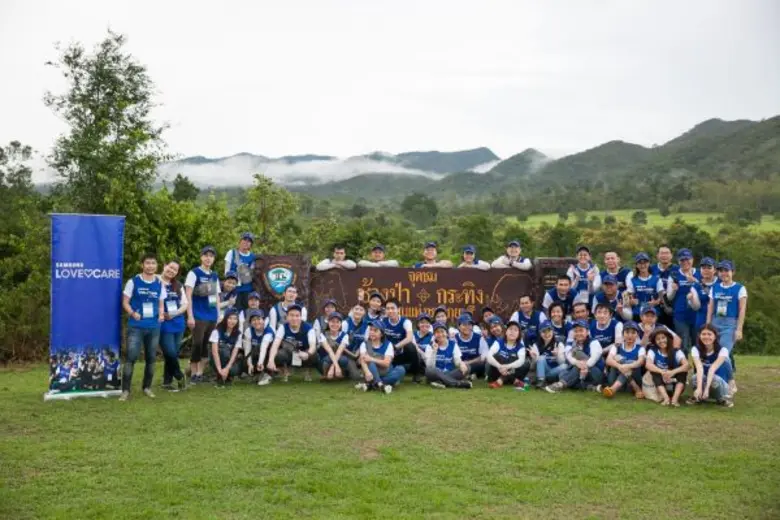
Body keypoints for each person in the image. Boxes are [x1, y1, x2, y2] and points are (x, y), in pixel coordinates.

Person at [120, 253, 166, 401]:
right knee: (131, 357)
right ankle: (125, 391)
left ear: (156, 266)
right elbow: (125, 302)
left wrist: (160, 315)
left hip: (153, 327)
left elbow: (160, 303)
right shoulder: (133, 281)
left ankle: (147, 387)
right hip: (136, 326)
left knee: (151, 359)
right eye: (148, 263)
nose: (150, 266)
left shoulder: (159, 284)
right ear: (142, 265)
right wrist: (132, 313)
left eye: (153, 263)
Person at [707, 259, 746, 393]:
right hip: (715, 323)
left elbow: (742, 310)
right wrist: (707, 326)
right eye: (721, 271)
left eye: (726, 270)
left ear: (732, 272)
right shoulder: (715, 287)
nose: (723, 273)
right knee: (714, 352)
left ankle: (730, 380)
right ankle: (716, 380)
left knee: (723, 353)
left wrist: (739, 329)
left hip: (730, 324)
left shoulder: (739, 288)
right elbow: (710, 307)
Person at [185, 246, 221, 385]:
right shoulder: (194, 273)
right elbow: (188, 295)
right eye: (206, 255)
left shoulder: (214, 275)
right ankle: (193, 373)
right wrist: (190, 316)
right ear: (201, 257)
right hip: (198, 315)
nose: (208, 258)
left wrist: (218, 315)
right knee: (197, 344)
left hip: (211, 315)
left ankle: (200, 373)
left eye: (211, 256)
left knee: (206, 344)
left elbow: (217, 296)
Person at [545, 320, 603, 393]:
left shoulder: (594, 342)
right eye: (576, 331)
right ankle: (590, 387)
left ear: (587, 332)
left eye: (581, 330)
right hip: (581, 373)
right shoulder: (571, 343)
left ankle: (560, 384)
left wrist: (583, 366)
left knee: (577, 357)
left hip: (596, 373)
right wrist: (577, 363)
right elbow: (568, 356)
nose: (578, 333)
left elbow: (593, 360)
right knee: (562, 374)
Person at [266, 304, 318, 382]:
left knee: (314, 355)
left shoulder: (309, 328)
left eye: (297, 316)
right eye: (291, 315)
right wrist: (271, 360)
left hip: (304, 354)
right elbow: (275, 345)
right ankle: (285, 371)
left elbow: (313, 346)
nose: (294, 318)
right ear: (287, 317)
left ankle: (307, 371)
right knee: (278, 354)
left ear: (301, 317)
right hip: (289, 353)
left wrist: (307, 354)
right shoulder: (282, 327)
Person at [687, 324, 734, 408]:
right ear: (699, 335)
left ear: (715, 336)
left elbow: (712, 369)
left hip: (718, 382)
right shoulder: (695, 349)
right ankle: (698, 396)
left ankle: (722, 398)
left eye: (709, 334)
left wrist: (706, 389)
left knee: (714, 379)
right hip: (704, 379)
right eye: (703, 334)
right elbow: (699, 368)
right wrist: (699, 388)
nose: (706, 337)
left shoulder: (723, 350)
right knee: (694, 377)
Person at [159, 259, 188, 392]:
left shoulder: (178, 285)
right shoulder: (155, 281)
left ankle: (167, 382)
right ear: (165, 266)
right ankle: (180, 376)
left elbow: (185, 304)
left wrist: (175, 313)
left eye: (175, 270)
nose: (171, 271)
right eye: (170, 267)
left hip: (178, 322)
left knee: (173, 354)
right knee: (170, 352)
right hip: (163, 323)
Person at [355, 320, 406, 393]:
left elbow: (386, 363)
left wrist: (371, 358)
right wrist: (367, 372)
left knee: (401, 370)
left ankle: (371, 384)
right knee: (370, 362)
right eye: (371, 330)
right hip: (370, 371)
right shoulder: (364, 344)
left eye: (375, 330)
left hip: (385, 371)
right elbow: (363, 360)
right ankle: (380, 384)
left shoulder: (388, 345)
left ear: (381, 334)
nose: (372, 332)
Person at [600, 321, 646, 399]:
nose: (630, 336)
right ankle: (637, 389)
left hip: (631, 383)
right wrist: (619, 366)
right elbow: (608, 360)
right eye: (627, 332)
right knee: (618, 359)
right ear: (623, 334)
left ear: (637, 334)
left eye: (633, 333)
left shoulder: (640, 348)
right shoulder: (617, 346)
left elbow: (640, 362)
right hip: (614, 379)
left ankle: (613, 389)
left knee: (626, 361)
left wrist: (627, 365)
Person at [666, 248, 699, 354]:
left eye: (687, 259)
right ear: (678, 261)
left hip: (697, 314)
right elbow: (669, 297)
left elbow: (707, 290)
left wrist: (695, 281)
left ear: (692, 260)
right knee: (683, 344)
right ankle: (682, 369)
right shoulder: (674, 275)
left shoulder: (699, 273)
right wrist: (674, 290)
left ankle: (698, 369)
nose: (685, 262)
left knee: (697, 343)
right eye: (682, 260)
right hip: (680, 314)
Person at [644, 327, 688, 406]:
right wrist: (662, 372)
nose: (661, 341)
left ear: (668, 338)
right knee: (654, 372)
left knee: (683, 372)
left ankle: (675, 399)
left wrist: (672, 372)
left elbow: (687, 365)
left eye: (663, 338)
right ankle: (666, 398)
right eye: (658, 339)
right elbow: (648, 364)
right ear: (655, 341)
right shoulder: (652, 350)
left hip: (675, 380)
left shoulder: (676, 351)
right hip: (661, 381)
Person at [382, 299, 424, 383]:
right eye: (388, 308)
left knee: (410, 346)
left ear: (398, 309)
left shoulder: (406, 321)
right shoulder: (383, 321)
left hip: (402, 353)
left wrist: (395, 347)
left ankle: (416, 374)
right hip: (390, 354)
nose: (390, 311)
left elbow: (409, 337)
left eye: (393, 308)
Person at [423, 323, 472, 389]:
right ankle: (457, 383)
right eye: (437, 332)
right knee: (428, 370)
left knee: (467, 367)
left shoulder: (453, 344)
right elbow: (430, 366)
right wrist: (434, 352)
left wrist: (461, 364)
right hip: (436, 373)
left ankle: (440, 382)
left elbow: (457, 361)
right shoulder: (430, 346)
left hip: (450, 372)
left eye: (442, 331)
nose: (440, 334)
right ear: (434, 335)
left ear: (446, 333)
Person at [486, 321, 531, 389]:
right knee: (496, 356)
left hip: (511, 372)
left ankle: (501, 380)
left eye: (515, 330)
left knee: (525, 362)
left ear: (519, 334)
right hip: (497, 373)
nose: (512, 332)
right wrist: (499, 366)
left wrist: (507, 366)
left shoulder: (521, 346)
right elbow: (489, 355)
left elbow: (521, 361)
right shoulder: (498, 342)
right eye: (510, 329)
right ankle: (514, 380)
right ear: (506, 332)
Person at [209, 308, 243, 387]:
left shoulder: (238, 334)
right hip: (217, 359)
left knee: (234, 370)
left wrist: (227, 369)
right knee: (224, 350)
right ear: (225, 319)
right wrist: (220, 370)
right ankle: (219, 376)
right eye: (230, 318)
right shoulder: (216, 331)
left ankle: (228, 376)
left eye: (235, 319)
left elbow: (235, 353)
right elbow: (214, 352)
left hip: (229, 360)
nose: (232, 321)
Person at [625, 252, 664, 321]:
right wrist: (630, 301)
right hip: (638, 313)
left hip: (653, 313)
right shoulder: (633, 280)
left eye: (645, 262)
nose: (642, 265)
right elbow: (627, 295)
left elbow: (662, 297)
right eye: (640, 263)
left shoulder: (657, 279)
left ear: (649, 263)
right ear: (636, 265)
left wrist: (656, 302)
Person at [224, 232, 256, 310]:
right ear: (240, 241)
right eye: (244, 239)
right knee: (234, 313)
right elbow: (226, 272)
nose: (246, 242)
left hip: (247, 290)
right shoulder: (232, 253)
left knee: (247, 313)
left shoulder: (252, 256)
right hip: (234, 290)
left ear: (251, 244)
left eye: (249, 241)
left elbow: (251, 273)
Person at [242, 309, 274, 386]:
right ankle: (256, 374)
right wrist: (249, 364)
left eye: (259, 319)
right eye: (253, 320)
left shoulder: (269, 330)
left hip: (268, 356)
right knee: (244, 362)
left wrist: (260, 363)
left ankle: (268, 374)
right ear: (250, 322)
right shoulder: (249, 331)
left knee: (260, 347)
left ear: (263, 320)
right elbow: (247, 350)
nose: (256, 322)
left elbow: (264, 346)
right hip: (256, 354)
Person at [651, 245, 679, 329]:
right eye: (662, 253)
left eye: (666, 253)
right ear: (657, 255)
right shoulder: (651, 269)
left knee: (672, 333)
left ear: (671, 255)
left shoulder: (677, 269)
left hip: (672, 307)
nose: (664, 255)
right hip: (655, 307)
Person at [454, 313, 489, 379]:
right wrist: (461, 363)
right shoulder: (454, 338)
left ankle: (470, 374)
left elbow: (483, 356)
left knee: (481, 363)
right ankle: (468, 374)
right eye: (464, 325)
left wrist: (468, 362)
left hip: (475, 364)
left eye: (469, 324)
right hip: (459, 364)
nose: (467, 327)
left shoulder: (479, 338)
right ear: (458, 327)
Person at [534, 321, 567, 388]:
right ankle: (541, 380)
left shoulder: (559, 344)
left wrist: (557, 355)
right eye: (544, 331)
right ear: (540, 333)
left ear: (553, 331)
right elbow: (534, 365)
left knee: (565, 366)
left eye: (549, 331)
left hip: (555, 372)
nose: (547, 334)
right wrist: (534, 358)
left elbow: (562, 362)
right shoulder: (536, 345)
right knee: (541, 358)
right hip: (542, 371)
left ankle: (544, 380)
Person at [317, 312, 350, 381]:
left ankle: (339, 374)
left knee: (344, 360)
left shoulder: (345, 335)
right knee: (327, 359)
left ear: (341, 324)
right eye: (332, 322)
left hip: (338, 359)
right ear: (328, 323)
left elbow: (339, 351)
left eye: (338, 322)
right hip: (325, 361)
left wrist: (334, 367)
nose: (335, 324)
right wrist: (335, 366)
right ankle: (325, 375)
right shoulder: (323, 334)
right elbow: (329, 351)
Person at [341, 304, 369, 380]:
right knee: (356, 377)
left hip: (359, 353)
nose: (358, 311)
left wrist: (359, 354)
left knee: (357, 377)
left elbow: (365, 343)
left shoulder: (367, 325)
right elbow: (341, 344)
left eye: (361, 310)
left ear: (364, 312)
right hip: (346, 353)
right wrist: (352, 355)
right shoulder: (345, 323)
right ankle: (345, 369)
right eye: (356, 309)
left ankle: (359, 368)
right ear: (352, 310)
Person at [693, 257, 717, 333]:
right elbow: (696, 307)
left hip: (718, 318)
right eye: (703, 268)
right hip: (701, 318)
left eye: (709, 268)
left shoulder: (720, 282)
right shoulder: (696, 285)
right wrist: (691, 299)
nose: (706, 270)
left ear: (715, 270)